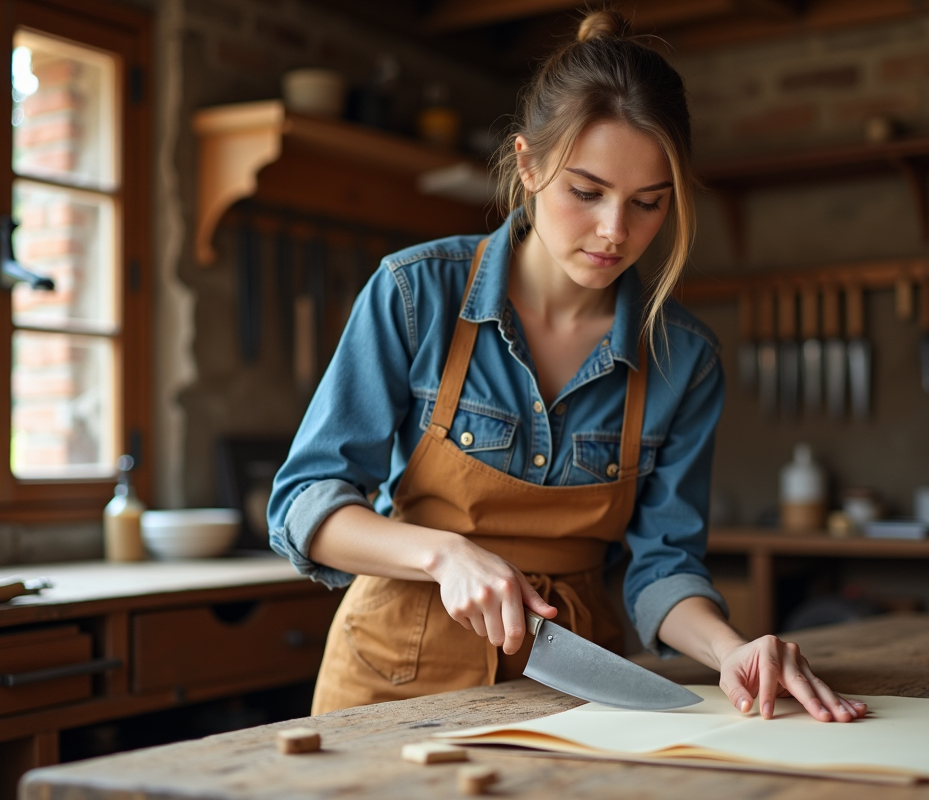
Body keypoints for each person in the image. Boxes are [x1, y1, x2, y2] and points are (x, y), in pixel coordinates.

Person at [268, 8, 866, 724]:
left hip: (577, 684)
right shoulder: (415, 293)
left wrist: (729, 649)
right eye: (587, 193)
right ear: (527, 164)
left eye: (648, 204)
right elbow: (304, 505)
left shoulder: (684, 360)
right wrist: (443, 556)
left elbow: (663, 568)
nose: (616, 231)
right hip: (392, 677)